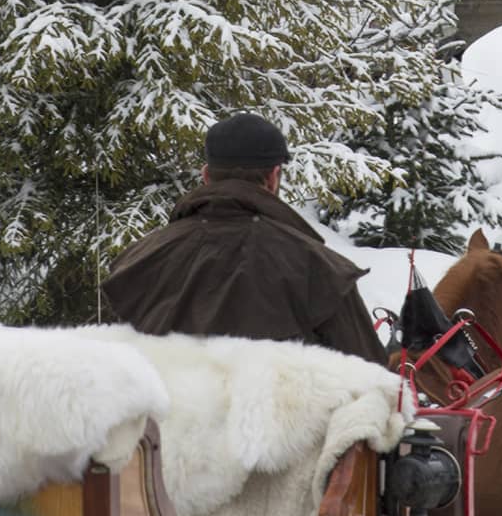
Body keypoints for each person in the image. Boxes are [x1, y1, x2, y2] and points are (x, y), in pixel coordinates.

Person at [101, 112, 389, 365]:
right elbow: (369, 378)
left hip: (168, 426)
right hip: (277, 425)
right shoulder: (321, 270)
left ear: (205, 175)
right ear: (274, 177)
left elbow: (115, 370)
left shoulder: (137, 262)